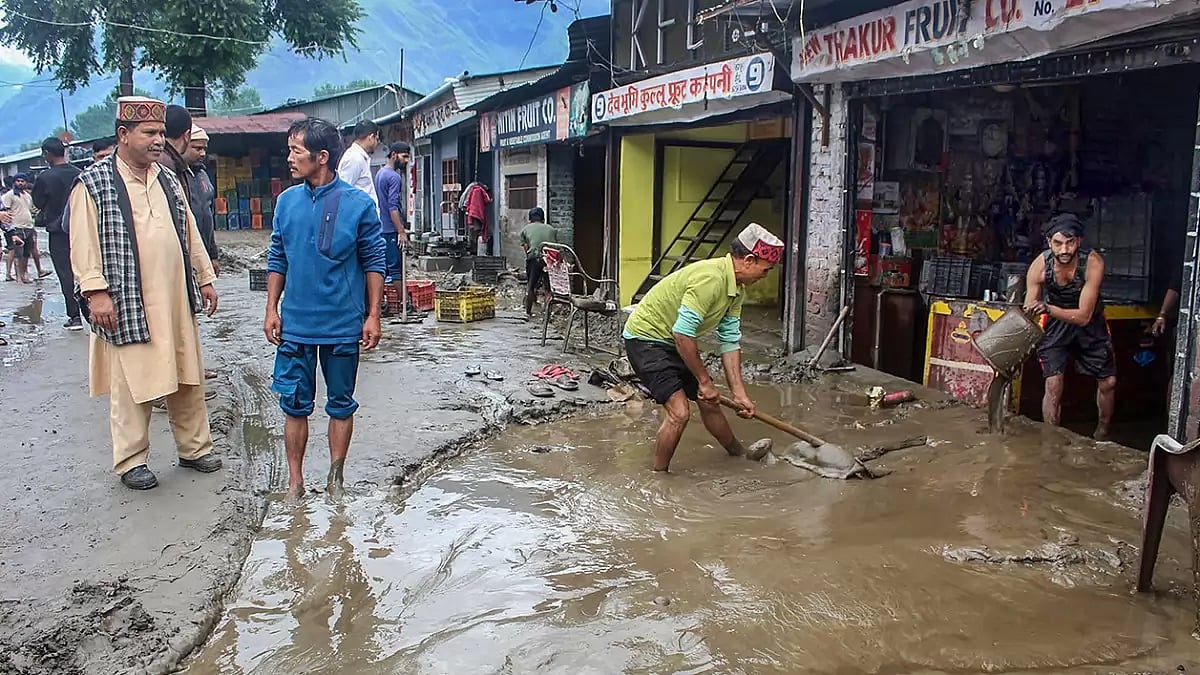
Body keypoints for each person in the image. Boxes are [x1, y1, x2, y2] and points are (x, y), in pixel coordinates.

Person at [68, 95, 221, 490]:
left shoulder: (167, 177)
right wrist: (95, 292)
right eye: (149, 132)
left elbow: (187, 230)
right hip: (127, 301)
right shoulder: (94, 183)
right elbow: (82, 244)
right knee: (132, 382)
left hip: (173, 297)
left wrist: (204, 277)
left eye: (160, 133)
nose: (158, 141)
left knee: (188, 375)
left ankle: (194, 448)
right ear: (123, 134)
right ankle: (131, 460)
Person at [264, 117, 386, 502]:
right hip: (296, 325)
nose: (289, 158)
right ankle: (295, 483)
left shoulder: (359, 205)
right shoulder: (286, 202)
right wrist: (272, 309)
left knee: (340, 404)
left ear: (321, 157)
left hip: (342, 324)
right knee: (294, 406)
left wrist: (373, 314)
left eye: (295, 151)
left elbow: (374, 261)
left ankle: (336, 479)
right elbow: (277, 258)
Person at [622, 223, 782, 472]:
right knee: (679, 412)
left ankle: (738, 455)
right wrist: (705, 381)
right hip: (646, 339)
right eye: (765, 270)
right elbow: (682, 333)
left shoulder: (736, 290)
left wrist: (739, 394)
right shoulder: (711, 279)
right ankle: (658, 477)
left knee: (709, 402)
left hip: (672, 341)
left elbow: (729, 341)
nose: (765, 276)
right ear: (750, 260)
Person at [1023, 213, 1116, 441]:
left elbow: (1083, 316)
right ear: (1049, 243)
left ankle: (1102, 433)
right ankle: (1051, 437)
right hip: (1055, 325)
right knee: (1053, 382)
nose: (1064, 250)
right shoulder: (1039, 266)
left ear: (1079, 241)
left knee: (1108, 382)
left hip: (1089, 323)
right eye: (1058, 243)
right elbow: (1028, 308)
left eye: (1070, 242)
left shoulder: (1093, 263)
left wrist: (1047, 308)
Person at [32, 137, 83, 330]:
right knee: (86, 269)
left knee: (66, 273)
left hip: (58, 231)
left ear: (47, 154)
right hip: (80, 228)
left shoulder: (45, 178)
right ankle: (91, 312)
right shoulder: (79, 173)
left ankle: (75, 316)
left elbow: (38, 203)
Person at [373, 141, 409, 281]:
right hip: (390, 230)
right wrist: (401, 231)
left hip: (381, 228)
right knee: (396, 270)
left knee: (383, 268)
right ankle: (402, 301)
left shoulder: (380, 173)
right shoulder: (394, 177)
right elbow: (392, 207)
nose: (406, 161)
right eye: (404, 156)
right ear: (394, 155)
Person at [2, 173, 43, 284]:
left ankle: (24, 275)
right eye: (18, 181)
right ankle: (19, 276)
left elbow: (31, 210)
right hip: (16, 227)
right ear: (14, 182)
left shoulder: (27, 195)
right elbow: (5, 211)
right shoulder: (9, 195)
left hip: (28, 226)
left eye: (22, 181)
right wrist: (9, 227)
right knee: (17, 253)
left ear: (26, 182)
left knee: (26, 253)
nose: (20, 183)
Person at [519, 206, 557, 318]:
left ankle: (528, 312)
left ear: (530, 219)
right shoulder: (552, 229)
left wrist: (531, 258)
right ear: (543, 218)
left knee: (530, 286)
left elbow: (526, 248)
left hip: (534, 258)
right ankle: (548, 314)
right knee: (548, 288)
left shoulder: (525, 230)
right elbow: (555, 247)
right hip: (549, 259)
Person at [336, 120, 380, 210]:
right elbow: (343, 193)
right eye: (377, 139)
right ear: (371, 137)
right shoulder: (354, 158)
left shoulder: (360, 157)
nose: (377, 143)